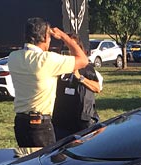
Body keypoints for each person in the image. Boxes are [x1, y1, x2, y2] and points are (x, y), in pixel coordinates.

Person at [8, 17, 88, 148]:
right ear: (45, 37)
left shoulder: (13, 57)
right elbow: (83, 60)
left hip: (20, 123)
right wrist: (63, 36)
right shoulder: (47, 60)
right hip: (40, 124)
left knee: (26, 163)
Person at [53, 36, 103, 140]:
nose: (69, 51)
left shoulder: (86, 68)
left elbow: (97, 88)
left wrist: (81, 78)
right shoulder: (59, 67)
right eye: (66, 48)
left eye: (72, 47)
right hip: (61, 121)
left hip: (82, 120)